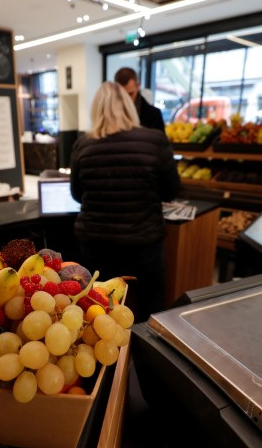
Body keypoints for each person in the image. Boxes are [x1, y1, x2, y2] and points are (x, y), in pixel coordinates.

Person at [70, 81, 181, 322]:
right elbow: (172, 190)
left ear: (96, 109)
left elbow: (77, 195)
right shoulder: (155, 140)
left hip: (96, 244)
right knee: (151, 308)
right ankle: (147, 357)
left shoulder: (83, 145)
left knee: (100, 309)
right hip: (143, 244)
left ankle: (109, 359)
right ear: (130, 107)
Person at [114, 67, 166, 133]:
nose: (126, 99)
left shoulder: (154, 115)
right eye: (122, 95)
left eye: (130, 94)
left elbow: (160, 141)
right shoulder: (109, 114)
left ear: (138, 86)